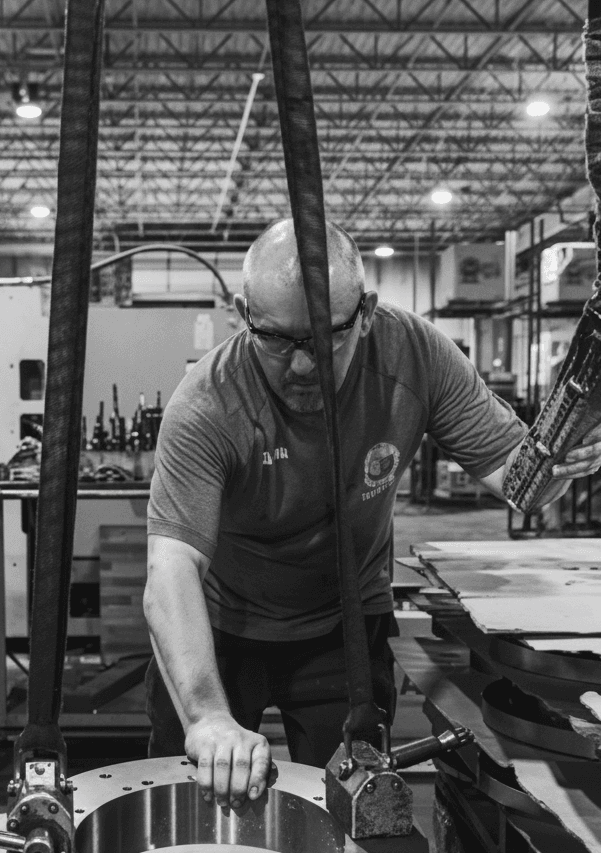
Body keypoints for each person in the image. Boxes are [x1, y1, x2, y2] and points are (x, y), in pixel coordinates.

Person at [143, 218, 601, 808]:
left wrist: (557, 461)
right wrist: (206, 715)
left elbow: (519, 482)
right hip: (221, 627)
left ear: (366, 310)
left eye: (327, 337)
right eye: (279, 340)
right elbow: (171, 570)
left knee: (355, 809)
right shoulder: (208, 403)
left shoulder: (414, 355)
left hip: (344, 625)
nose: (304, 365)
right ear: (242, 312)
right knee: (192, 803)